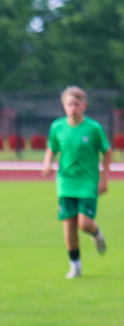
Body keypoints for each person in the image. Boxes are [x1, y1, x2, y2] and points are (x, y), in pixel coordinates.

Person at [42, 86, 111, 279]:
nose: (73, 108)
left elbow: (106, 152)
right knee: (69, 224)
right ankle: (75, 266)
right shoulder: (57, 127)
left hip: (88, 181)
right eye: (69, 104)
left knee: (84, 224)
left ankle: (96, 233)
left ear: (84, 106)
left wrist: (104, 178)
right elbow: (51, 147)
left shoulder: (93, 128)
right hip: (65, 181)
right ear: (64, 106)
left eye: (77, 104)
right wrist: (47, 164)